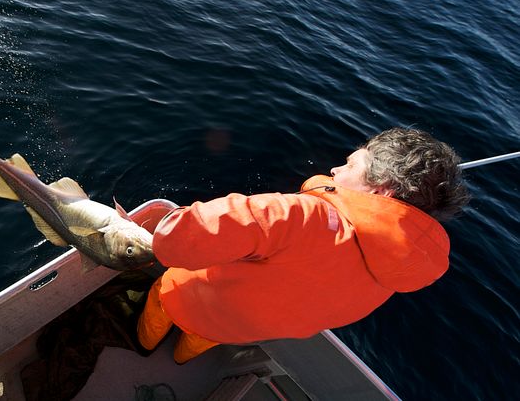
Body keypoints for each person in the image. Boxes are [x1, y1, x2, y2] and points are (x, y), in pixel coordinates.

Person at [137, 127, 470, 364]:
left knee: (158, 309)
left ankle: (144, 346)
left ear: (383, 192)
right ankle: (180, 360)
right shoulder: (404, 261)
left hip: (187, 298)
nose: (336, 169)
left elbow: (175, 242)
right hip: (237, 329)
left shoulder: (297, 215)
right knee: (196, 342)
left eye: (352, 165)